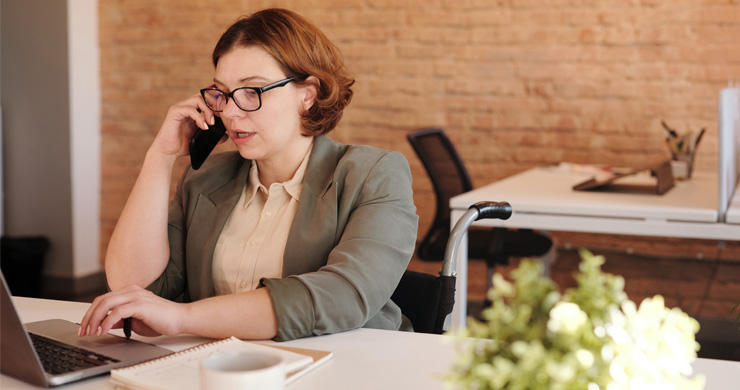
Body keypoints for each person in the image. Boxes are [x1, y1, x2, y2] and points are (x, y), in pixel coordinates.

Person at [79, 8, 418, 341]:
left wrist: (182, 317)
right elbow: (133, 288)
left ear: (308, 95)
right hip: (228, 369)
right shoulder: (206, 178)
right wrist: (161, 156)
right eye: (222, 93)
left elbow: (345, 295)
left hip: (351, 366)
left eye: (251, 91)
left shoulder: (374, 174)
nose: (229, 110)